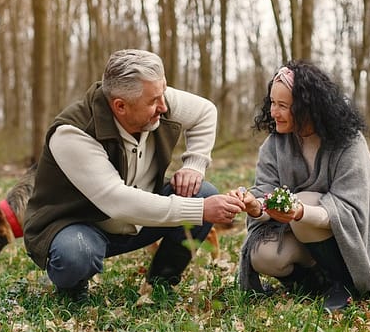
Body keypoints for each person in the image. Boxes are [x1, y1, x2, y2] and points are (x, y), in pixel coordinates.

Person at [24, 49, 245, 300]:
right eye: (153, 102)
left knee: (202, 193)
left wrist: (194, 164)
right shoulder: (73, 133)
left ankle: (161, 283)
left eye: (163, 94)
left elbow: (205, 112)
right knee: (76, 253)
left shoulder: (153, 96)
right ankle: (72, 287)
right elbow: (117, 200)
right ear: (120, 106)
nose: (163, 106)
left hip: (140, 222)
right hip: (80, 225)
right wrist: (200, 210)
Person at [230, 60, 370, 311]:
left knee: (305, 204)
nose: (273, 112)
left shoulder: (348, 141)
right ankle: (313, 282)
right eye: (271, 103)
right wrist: (254, 205)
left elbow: (353, 208)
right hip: (303, 233)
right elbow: (265, 191)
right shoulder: (274, 145)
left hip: (354, 238)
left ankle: (344, 284)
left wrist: (300, 212)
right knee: (263, 255)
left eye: (282, 106)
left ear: (306, 108)